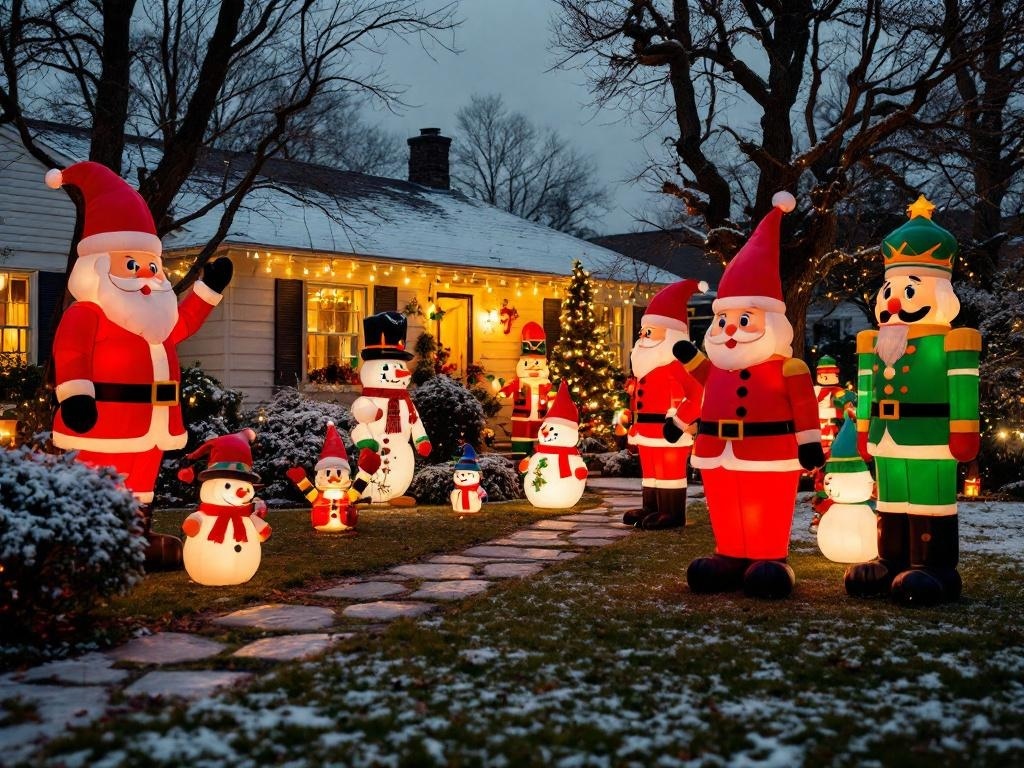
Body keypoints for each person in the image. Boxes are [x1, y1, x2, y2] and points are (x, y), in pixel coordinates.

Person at [48, 161, 232, 570]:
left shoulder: (158, 317)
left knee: (142, 486)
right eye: (133, 265)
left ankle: (135, 539)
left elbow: (182, 323)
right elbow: (72, 353)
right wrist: (76, 394)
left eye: (152, 266)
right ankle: (91, 543)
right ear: (98, 266)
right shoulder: (88, 313)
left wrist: (208, 289)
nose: (147, 277)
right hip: (104, 422)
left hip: (155, 422)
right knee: (100, 483)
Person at [671, 192, 824, 598]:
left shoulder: (788, 367)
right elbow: (704, 380)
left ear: (771, 321)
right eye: (723, 319)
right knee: (724, 505)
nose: (731, 329)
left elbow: (804, 405)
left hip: (770, 449)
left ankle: (770, 557)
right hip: (717, 448)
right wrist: (690, 360)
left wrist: (810, 443)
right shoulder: (717, 366)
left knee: (767, 506)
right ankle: (729, 554)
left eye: (742, 319)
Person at [845, 195, 980, 606]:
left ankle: (934, 565)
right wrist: (865, 431)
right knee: (890, 499)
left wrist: (964, 431)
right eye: (889, 289)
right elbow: (867, 388)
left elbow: (962, 385)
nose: (894, 301)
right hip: (887, 435)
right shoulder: (875, 342)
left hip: (931, 435)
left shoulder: (953, 341)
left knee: (930, 501)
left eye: (907, 289)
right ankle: (891, 559)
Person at [622, 279, 705, 529]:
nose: (642, 337)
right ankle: (652, 507)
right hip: (646, 431)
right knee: (651, 473)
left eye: (649, 331)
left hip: (669, 430)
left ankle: (671, 512)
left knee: (669, 473)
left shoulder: (678, 366)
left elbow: (697, 394)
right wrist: (634, 427)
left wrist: (680, 422)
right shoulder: (644, 369)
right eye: (642, 332)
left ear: (670, 335)